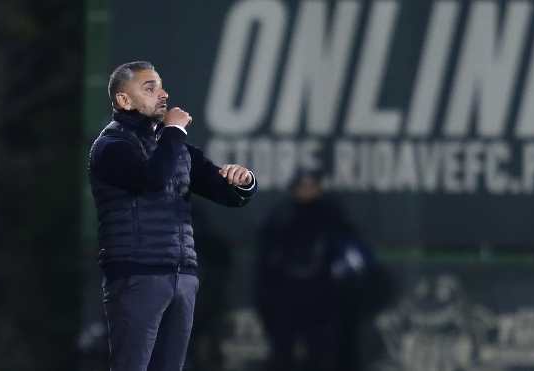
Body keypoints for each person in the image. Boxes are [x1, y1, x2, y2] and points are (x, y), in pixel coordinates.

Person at [88, 61, 257, 371]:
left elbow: (227, 195)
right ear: (124, 100)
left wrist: (244, 182)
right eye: (149, 88)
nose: (162, 94)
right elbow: (153, 180)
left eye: (161, 86)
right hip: (138, 274)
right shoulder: (111, 147)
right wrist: (174, 131)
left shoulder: (174, 146)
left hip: (182, 275)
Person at [256, 170, 381, 371]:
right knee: (283, 354)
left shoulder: (332, 217)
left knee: (322, 353)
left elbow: (354, 259)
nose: (307, 191)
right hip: (286, 299)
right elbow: (267, 264)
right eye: (302, 186)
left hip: (323, 300)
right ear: (293, 189)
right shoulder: (281, 217)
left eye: (311, 186)